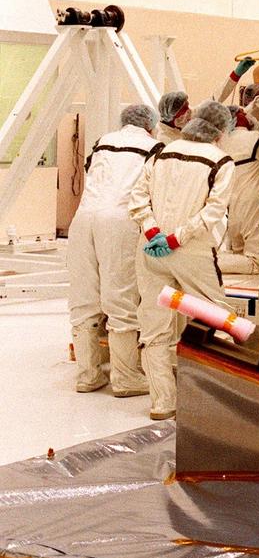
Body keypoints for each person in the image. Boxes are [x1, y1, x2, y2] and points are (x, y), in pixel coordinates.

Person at [129, 100, 235, 419]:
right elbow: (214, 211)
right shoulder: (221, 160)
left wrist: (153, 233)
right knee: (216, 319)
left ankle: (163, 402)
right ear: (221, 131)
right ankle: (211, 399)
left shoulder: (161, 152)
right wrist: (177, 238)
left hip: (151, 251)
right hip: (191, 252)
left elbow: (137, 199)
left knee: (154, 327)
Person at [67, 104, 161, 397]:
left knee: (84, 298)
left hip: (83, 219)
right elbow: (156, 190)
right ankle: (126, 378)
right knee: (120, 299)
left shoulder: (103, 141)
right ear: (151, 125)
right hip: (120, 222)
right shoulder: (154, 146)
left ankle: (87, 375)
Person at [219, 104, 259, 274]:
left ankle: (213, 261)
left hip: (232, 204)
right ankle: (210, 262)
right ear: (239, 118)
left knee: (238, 251)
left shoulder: (222, 143)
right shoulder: (254, 137)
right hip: (255, 203)